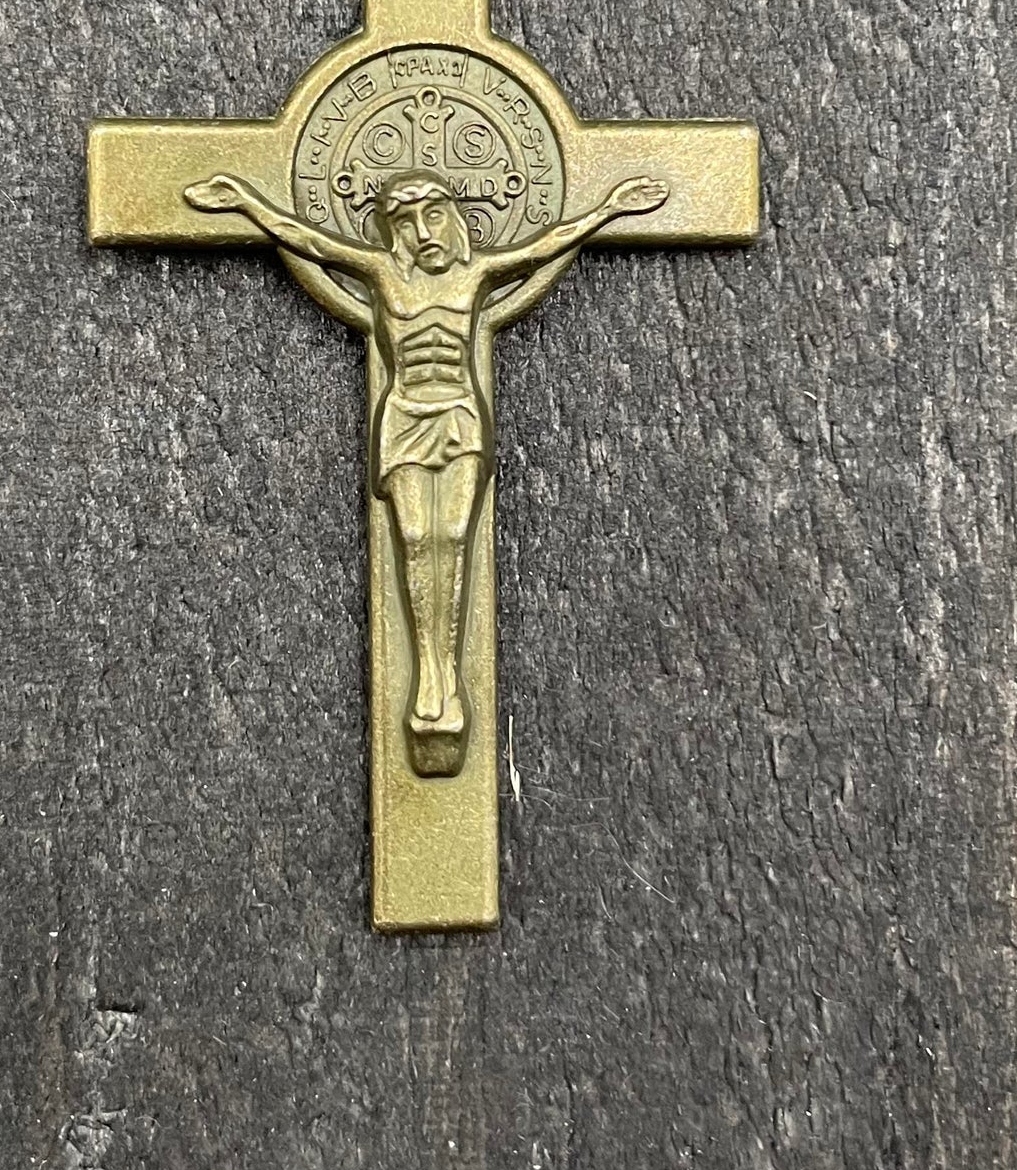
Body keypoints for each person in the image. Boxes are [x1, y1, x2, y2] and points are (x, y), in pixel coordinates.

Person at [183, 166, 667, 775]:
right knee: (415, 538)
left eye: (432, 216)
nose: (421, 232)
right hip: (407, 413)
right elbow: (306, 239)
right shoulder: (384, 273)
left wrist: (611, 208)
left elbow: (547, 243)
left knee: (454, 538)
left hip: (460, 416)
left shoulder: (476, 272)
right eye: (406, 222)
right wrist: (243, 199)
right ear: (392, 232)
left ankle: (447, 678)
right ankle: (429, 678)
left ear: (454, 218)